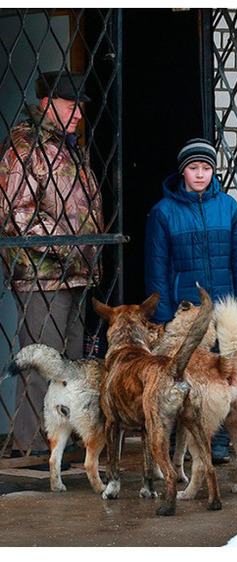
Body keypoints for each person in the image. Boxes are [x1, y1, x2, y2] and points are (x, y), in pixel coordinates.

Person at [0, 71, 102, 459]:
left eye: (81, 106)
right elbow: (15, 213)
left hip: (74, 272)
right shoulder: (26, 146)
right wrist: (68, 245)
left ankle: (62, 441)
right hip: (41, 273)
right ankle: (33, 447)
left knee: (69, 362)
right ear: (47, 104)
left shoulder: (70, 145)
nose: (78, 113)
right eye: (71, 104)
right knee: (41, 360)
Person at [144, 138, 237, 463]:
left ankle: (217, 443)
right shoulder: (163, 212)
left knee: (219, 377)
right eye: (193, 168)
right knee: (182, 376)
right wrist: (164, 316)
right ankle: (173, 445)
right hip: (186, 311)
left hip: (224, 309)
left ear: (213, 170)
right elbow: (157, 268)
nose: (200, 174)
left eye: (206, 168)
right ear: (183, 172)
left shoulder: (228, 208)